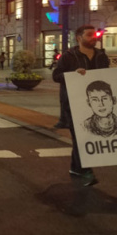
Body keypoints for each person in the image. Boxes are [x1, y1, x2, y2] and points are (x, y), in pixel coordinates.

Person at [52, 24, 109, 186]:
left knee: (89, 137)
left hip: (96, 106)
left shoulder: (101, 56)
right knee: (80, 139)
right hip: (74, 104)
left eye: (95, 35)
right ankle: (85, 171)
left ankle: (75, 168)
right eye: (89, 35)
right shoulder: (69, 56)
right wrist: (72, 75)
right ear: (79, 38)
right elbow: (56, 76)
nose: (94, 38)